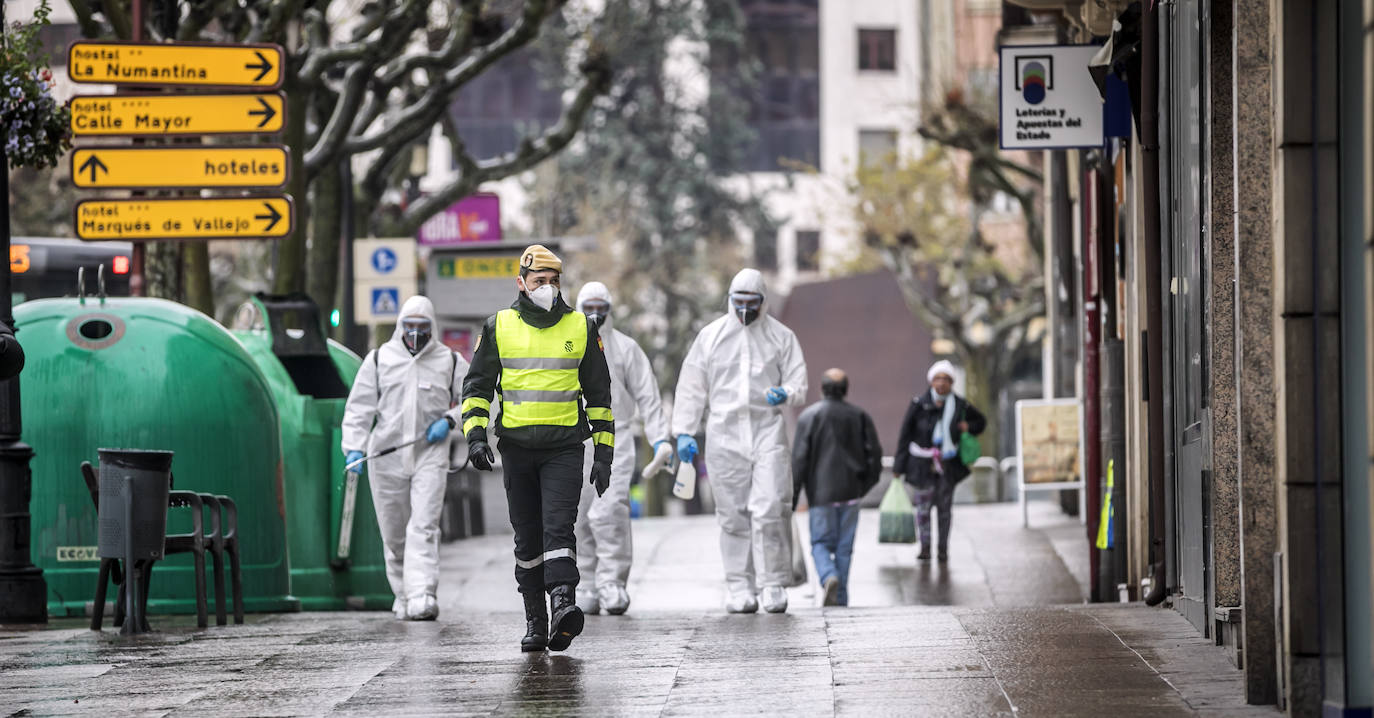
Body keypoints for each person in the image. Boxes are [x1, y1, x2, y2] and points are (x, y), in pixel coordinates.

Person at [460, 245, 615, 653]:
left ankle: (563, 603)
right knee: (527, 537)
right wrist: (475, 436)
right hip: (516, 450)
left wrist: (603, 455)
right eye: (539, 282)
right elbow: (476, 388)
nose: (546, 288)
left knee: (558, 528)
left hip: (564, 449)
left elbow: (600, 397)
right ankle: (536, 617)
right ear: (521, 284)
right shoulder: (498, 327)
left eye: (553, 282)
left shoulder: (581, 327)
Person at [672, 268, 808, 614]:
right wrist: (685, 431)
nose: (745, 308)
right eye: (739, 301)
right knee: (732, 513)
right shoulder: (711, 336)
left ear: (763, 301)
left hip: (767, 431)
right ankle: (738, 585)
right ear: (730, 300)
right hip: (724, 432)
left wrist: (786, 394)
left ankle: (772, 583)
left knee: (770, 507)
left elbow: (799, 381)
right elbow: (691, 386)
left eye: (752, 302)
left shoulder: (781, 336)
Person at [341, 295, 469, 621]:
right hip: (386, 456)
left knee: (424, 525)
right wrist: (353, 446)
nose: (415, 333)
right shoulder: (380, 359)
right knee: (394, 532)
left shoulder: (449, 361)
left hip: (430, 453)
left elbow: (477, 398)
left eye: (422, 327)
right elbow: (359, 408)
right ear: (400, 326)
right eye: (409, 326)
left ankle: (423, 592)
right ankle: (402, 593)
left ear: (432, 327)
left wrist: (451, 419)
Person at [573, 281, 674, 617]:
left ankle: (613, 581)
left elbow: (648, 395)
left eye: (601, 308)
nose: (595, 314)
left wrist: (660, 438)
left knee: (609, 511)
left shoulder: (626, 349)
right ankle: (586, 582)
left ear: (610, 310)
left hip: (615, 439)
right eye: (589, 307)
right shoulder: (566, 346)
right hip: (574, 440)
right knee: (578, 516)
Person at [791, 368, 883, 607]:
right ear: (845, 390)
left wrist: (793, 496)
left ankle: (828, 576)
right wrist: (863, 487)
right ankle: (840, 597)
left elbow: (799, 460)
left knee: (820, 543)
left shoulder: (809, 417)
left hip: (821, 494)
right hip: (851, 494)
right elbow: (875, 455)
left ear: (822, 389)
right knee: (844, 548)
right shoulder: (860, 416)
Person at [891, 359, 987, 562]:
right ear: (931, 381)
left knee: (944, 510)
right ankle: (925, 547)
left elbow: (981, 422)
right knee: (923, 510)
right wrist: (899, 466)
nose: (941, 383)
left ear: (951, 383)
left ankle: (943, 549)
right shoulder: (919, 404)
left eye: (946, 379)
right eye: (937, 379)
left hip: (947, 467)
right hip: (922, 467)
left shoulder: (960, 405)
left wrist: (966, 427)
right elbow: (905, 435)